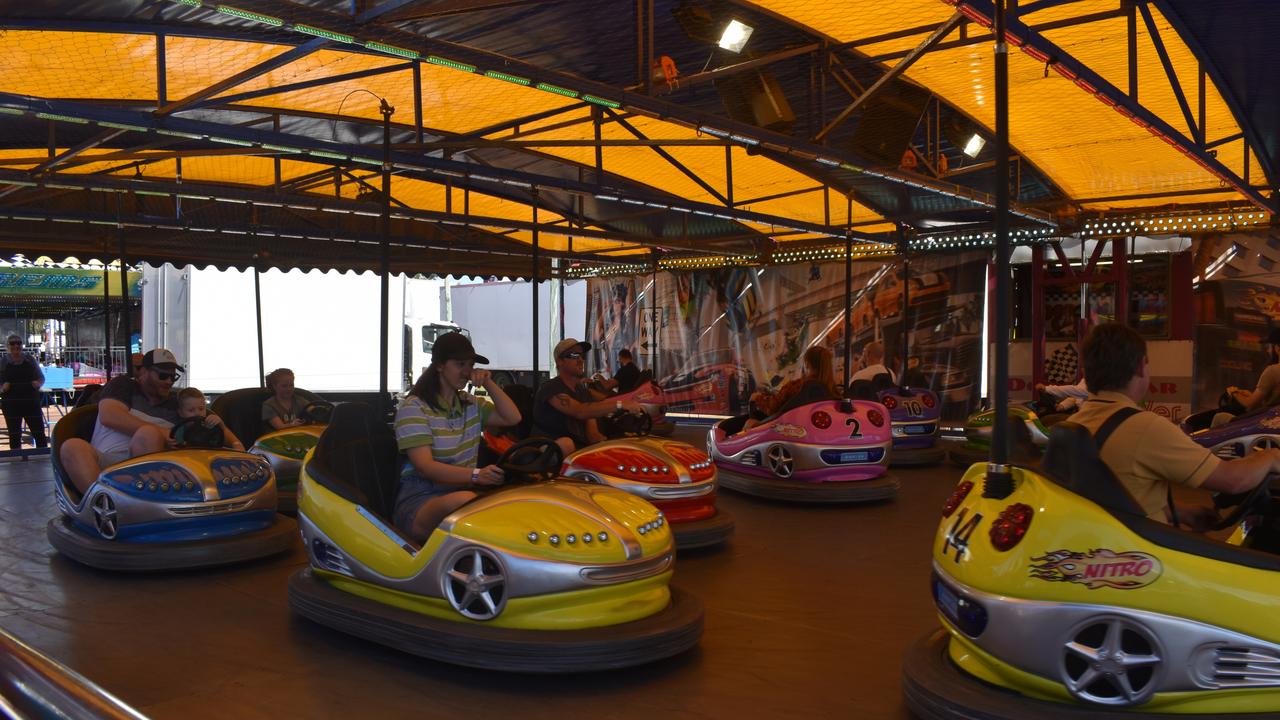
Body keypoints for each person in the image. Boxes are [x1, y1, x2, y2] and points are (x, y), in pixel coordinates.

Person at [1072, 323, 1280, 529]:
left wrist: (1182, 513)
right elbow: (1234, 481)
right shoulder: (1146, 428)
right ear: (1140, 367)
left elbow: (1114, 498)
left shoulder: (1074, 424)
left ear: (1087, 372)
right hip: (1140, 554)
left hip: (1098, 543)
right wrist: (1269, 457)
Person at [393, 333, 521, 544]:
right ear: (440, 366)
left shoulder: (469, 404)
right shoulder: (415, 408)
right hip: (421, 499)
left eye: (470, 365)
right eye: (460, 364)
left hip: (464, 493)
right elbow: (425, 467)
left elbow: (512, 417)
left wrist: (489, 383)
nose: (467, 371)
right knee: (465, 502)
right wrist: (476, 475)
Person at [59, 348, 187, 493]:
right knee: (72, 447)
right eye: (163, 376)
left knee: (148, 434)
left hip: (158, 469)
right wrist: (162, 432)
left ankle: (144, 498)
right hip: (107, 462)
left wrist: (215, 420)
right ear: (144, 372)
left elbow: (197, 421)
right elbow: (109, 415)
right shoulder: (124, 385)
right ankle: (102, 501)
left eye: (173, 377)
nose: (169, 381)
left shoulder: (176, 402)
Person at [532, 338, 643, 457]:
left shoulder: (582, 391)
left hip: (577, 452)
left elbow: (592, 424)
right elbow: (580, 411)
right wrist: (620, 404)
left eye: (581, 355)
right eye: (574, 355)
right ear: (560, 361)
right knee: (566, 444)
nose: (580, 360)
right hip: (548, 449)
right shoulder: (551, 387)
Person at [745, 346, 842, 430]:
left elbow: (773, 407)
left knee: (749, 423)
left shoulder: (798, 387)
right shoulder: (834, 392)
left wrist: (757, 398)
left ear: (807, 364)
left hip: (791, 431)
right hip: (818, 434)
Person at [0, 334, 48, 451]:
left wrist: (38, 383)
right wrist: (2, 388)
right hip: (11, 404)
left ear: (22, 345)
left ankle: (42, 458)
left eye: (19, 343)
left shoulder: (30, 359)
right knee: (14, 435)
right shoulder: (3, 361)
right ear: (8, 346)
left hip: (31, 402)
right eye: (12, 343)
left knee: (39, 433)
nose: (16, 345)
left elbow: (41, 377)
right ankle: (16, 462)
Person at [173, 387, 243, 450]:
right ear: (180, 413)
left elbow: (221, 441)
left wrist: (220, 425)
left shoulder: (209, 425)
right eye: (191, 410)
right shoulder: (179, 430)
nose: (197, 413)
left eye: (201, 409)